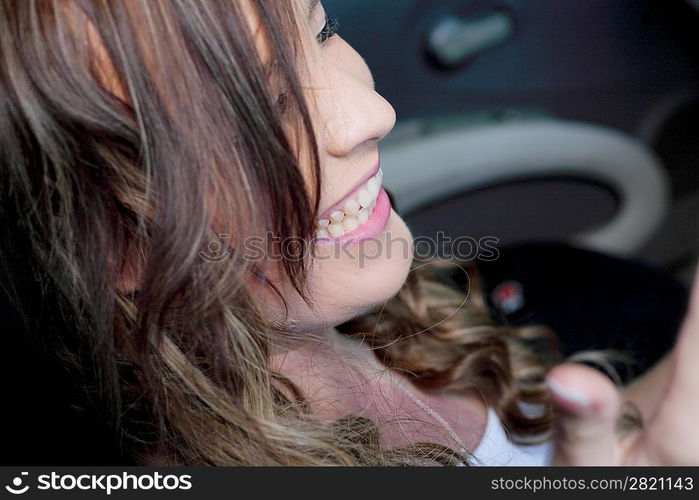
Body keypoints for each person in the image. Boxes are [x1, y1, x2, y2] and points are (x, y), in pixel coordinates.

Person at [0, 0, 697, 466]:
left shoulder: (370, 320)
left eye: (323, 30)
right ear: (112, 247)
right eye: (262, 108)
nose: (369, 113)